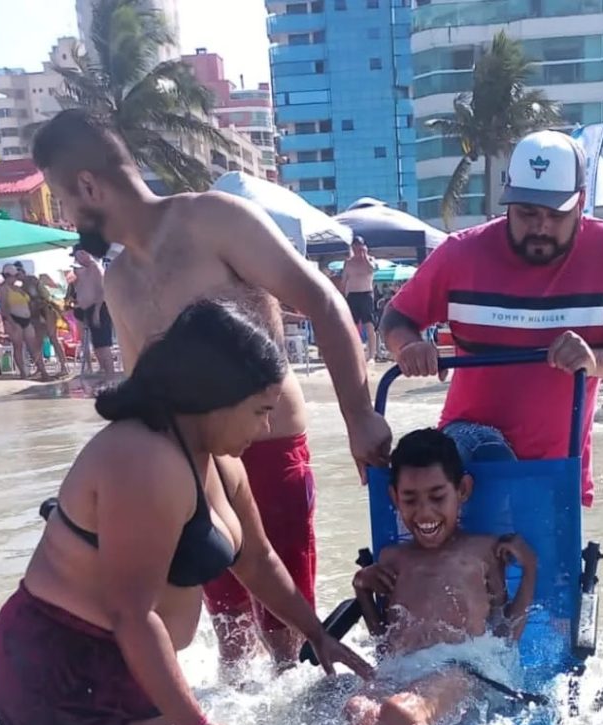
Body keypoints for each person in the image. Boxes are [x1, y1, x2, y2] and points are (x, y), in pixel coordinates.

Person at [31, 110, 391, 669]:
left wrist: (359, 416)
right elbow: (142, 401)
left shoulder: (213, 220)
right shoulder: (121, 282)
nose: (67, 215)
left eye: (63, 199)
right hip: (195, 470)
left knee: (287, 628)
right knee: (230, 633)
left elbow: (322, 301)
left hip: (268, 447)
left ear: (87, 185)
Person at [0, 301, 371, 725]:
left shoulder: (222, 462)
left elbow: (256, 561)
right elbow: (131, 613)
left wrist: (318, 634)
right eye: (260, 410)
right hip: (59, 664)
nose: (266, 427)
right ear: (214, 395)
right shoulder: (143, 460)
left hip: (127, 662)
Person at [380, 130, 603, 508]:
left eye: (555, 214)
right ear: (507, 202)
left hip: (557, 476)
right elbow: (396, 318)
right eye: (527, 212)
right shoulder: (461, 254)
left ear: (580, 204)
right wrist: (410, 346)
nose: (541, 226)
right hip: (465, 467)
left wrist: (596, 361)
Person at [345, 429, 537, 725]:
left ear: (462, 491)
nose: (424, 513)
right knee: (358, 709)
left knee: (401, 712)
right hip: (404, 670)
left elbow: (505, 634)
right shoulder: (392, 558)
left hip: (466, 670)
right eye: (410, 500)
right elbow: (387, 643)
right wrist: (362, 589)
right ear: (394, 497)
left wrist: (531, 570)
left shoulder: (481, 551)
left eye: (437, 497)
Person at [0, 264, 50, 381]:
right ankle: (23, 373)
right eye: (15, 275)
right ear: (7, 275)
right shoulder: (3, 289)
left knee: (34, 346)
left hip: (25, 319)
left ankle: (43, 372)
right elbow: (4, 307)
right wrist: (11, 322)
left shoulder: (17, 288)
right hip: (13, 319)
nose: (16, 277)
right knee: (18, 346)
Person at [70, 247, 116, 380]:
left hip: (99, 308)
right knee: (97, 345)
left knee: (103, 345)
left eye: (77, 256)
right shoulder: (84, 269)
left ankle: (110, 376)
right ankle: (105, 373)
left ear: (84, 254)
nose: (76, 259)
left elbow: (102, 291)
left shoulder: (96, 268)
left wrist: (96, 311)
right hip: (88, 309)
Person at [342, 236, 379, 362]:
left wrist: (364, 257)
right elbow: (344, 280)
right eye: (355, 248)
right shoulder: (348, 262)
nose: (357, 250)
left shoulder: (370, 260)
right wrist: (343, 295)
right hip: (352, 295)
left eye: (359, 247)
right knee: (351, 325)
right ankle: (353, 352)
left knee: (369, 325)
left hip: (366, 294)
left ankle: (372, 355)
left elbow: (372, 269)